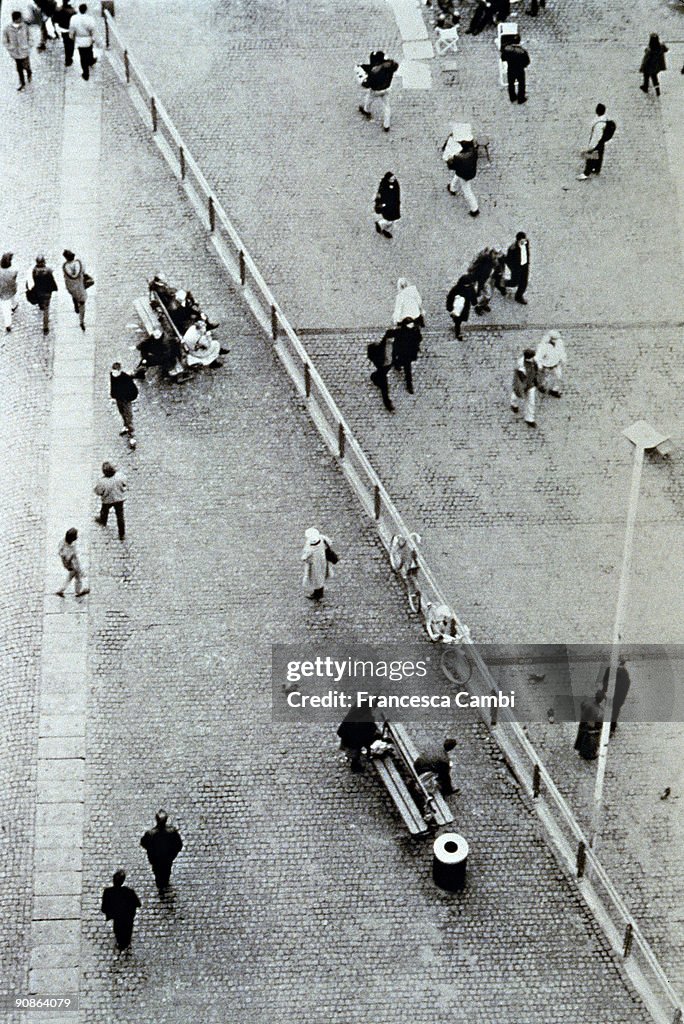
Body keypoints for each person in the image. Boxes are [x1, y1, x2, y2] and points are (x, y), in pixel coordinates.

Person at [140, 810, 183, 891]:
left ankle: (160, 884)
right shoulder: (172, 832)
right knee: (166, 871)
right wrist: (172, 854)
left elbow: (143, 843)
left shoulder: (150, 834)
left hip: (156, 859)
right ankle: (164, 882)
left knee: (157, 872)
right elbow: (179, 845)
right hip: (167, 858)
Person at [358, 50, 399, 132]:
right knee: (387, 106)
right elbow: (395, 64)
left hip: (376, 91)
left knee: (369, 99)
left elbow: (367, 84)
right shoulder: (389, 66)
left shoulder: (374, 72)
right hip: (386, 89)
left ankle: (366, 110)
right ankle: (386, 125)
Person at [100, 870, 141, 950]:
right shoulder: (129, 892)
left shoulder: (108, 892)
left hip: (117, 918)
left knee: (118, 931)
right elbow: (138, 904)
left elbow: (104, 908)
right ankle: (126, 944)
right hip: (128, 918)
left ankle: (120, 943)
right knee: (127, 933)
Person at [337, 706, 381, 773]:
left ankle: (355, 762)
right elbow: (368, 729)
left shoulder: (357, 710)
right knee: (355, 753)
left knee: (355, 751)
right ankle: (355, 766)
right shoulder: (364, 717)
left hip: (350, 736)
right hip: (354, 739)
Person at [446, 131, 480, 217]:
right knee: (457, 176)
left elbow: (452, 167)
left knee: (467, 191)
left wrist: (450, 159)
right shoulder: (474, 151)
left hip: (464, 175)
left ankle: (474, 209)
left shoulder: (459, 157)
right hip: (470, 171)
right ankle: (452, 188)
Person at [577, 104, 615, 180]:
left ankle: (586, 173)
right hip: (601, 142)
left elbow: (596, 137)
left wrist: (590, 148)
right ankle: (596, 169)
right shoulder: (605, 119)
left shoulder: (599, 124)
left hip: (597, 142)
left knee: (591, 158)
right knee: (599, 155)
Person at [94, 462, 127, 541]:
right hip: (119, 499)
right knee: (120, 516)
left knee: (104, 511)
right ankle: (122, 534)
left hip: (107, 500)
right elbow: (125, 484)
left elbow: (98, 492)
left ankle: (103, 521)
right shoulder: (120, 476)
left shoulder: (102, 481)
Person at [599, 656, 631, 734]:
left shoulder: (621, 673)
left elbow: (625, 686)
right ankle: (611, 726)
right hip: (614, 696)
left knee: (612, 710)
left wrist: (604, 691)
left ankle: (611, 726)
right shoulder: (623, 673)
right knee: (613, 710)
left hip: (615, 696)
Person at [110, 362, 138, 449]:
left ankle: (131, 435)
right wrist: (113, 395)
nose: (114, 374)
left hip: (126, 400)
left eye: (116, 372)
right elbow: (113, 385)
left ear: (119, 370)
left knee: (128, 416)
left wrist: (128, 398)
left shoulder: (126, 378)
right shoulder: (112, 375)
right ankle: (126, 426)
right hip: (119, 398)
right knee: (122, 413)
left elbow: (134, 390)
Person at [301, 526, 333, 601]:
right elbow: (330, 543)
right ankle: (319, 591)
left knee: (316, 578)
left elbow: (304, 558)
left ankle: (318, 594)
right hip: (323, 561)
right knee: (321, 575)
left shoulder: (310, 548)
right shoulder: (322, 538)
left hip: (314, 565)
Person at [3, 11, 33, 92]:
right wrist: (10, 48)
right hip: (15, 53)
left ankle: (29, 72)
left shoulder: (25, 27)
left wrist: (29, 45)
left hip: (24, 51)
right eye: (20, 18)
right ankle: (22, 83)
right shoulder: (7, 29)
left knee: (26, 65)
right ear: (17, 19)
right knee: (19, 68)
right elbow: (5, 40)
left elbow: (30, 36)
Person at [56, 527, 89, 597]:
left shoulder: (62, 542)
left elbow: (60, 553)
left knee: (71, 577)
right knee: (77, 577)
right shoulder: (71, 549)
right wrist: (80, 571)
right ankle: (78, 591)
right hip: (72, 566)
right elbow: (74, 561)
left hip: (67, 565)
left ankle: (61, 590)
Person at [510, 348, 539, 427]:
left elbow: (536, 370)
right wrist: (523, 387)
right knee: (516, 394)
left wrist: (536, 381)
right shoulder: (521, 365)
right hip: (523, 385)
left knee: (531, 402)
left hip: (531, 385)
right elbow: (521, 379)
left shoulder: (533, 361)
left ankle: (529, 419)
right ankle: (513, 403)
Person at [391, 318, 421, 395]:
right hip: (403, 353)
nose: (412, 325)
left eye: (412, 324)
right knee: (407, 369)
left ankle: (409, 384)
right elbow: (396, 343)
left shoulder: (415, 330)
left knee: (407, 368)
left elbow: (419, 338)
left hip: (410, 353)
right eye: (409, 324)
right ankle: (409, 385)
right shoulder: (400, 332)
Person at [30, 255, 58, 335]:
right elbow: (52, 280)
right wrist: (54, 288)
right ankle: (45, 327)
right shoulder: (48, 271)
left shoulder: (34, 271)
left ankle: (40, 305)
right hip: (47, 292)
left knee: (42, 303)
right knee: (46, 310)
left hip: (39, 292)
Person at [467, 248, 501, 314]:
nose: (496, 256)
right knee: (479, 293)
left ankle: (482, 305)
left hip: (486, 278)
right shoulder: (483, 256)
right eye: (495, 253)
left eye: (498, 254)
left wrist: (498, 273)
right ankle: (478, 307)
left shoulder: (494, 259)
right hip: (479, 278)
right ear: (492, 252)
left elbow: (497, 266)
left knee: (489, 294)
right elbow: (473, 265)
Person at [367, 330, 394, 411]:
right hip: (382, 366)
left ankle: (374, 377)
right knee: (384, 387)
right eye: (390, 339)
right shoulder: (381, 347)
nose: (392, 340)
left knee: (380, 374)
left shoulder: (394, 344)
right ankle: (387, 404)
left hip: (388, 365)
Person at [70, 3, 97, 80]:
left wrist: (72, 37)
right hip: (88, 39)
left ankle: (85, 72)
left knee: (82, 57)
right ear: (86, 10)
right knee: (89, 52)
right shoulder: (90, 19)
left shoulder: (74, 18)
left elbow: (72, 29)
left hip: (79, 40)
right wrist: (93, 38)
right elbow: (93, 30)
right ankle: (90, 61)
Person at [574, 690, 605, 761]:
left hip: (583, 722)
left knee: (581, 737)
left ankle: (580, 749)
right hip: (589, 728)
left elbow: (582, 706)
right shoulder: (596, 710)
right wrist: (595, 730)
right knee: (588, 742)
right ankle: (587, 754)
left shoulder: (587, 701)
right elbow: (591, 724)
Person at [535, 330, 566, 397]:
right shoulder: (543, 346)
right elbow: (538, 357)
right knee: (546, 378)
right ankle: (541, 386)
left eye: (556, 339)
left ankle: (554, 390)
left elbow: (562, 351)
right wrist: (540, 366)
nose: (555, 341)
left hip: (556, 364)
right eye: (554, 339)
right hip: (546, 366)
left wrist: (563, 359)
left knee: (558, 377)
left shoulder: (559, 342)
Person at [62, 249, 88, 330]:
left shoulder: (65, 266)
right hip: (80, 286)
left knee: (75, 296)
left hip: (71, 287)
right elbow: (83, 271)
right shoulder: (79, 263)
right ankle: (82, 321)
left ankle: (75, 302)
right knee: (82, 303)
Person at [446, 274, 477, 340]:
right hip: (457, 308)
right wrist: (450, 308)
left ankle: (458, 328)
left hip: (465, 307)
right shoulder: (456, 289)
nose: (467, 286)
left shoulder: (470, 287)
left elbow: (473, 295)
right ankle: (458, 332)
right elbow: (450, 298)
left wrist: (474, 302)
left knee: (461, 318)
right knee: (457, 321)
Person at [501, 35, 530, 104]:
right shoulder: (522, 51)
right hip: (520, 69)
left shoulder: (507, 49)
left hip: (511, 69)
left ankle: (512, 97)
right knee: (521, 84)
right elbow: (527, 61)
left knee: (511, 84)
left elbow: (503, 58)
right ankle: (521, 98)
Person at [504, 232, 530, 304]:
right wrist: (514, 269)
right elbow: (508, 261)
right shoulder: (512, 249)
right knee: (514, 282)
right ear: (518, 240)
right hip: (516, 268)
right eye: (521, 241)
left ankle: (518, 296)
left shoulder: (526, 242)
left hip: (524, 266)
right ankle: (501, 283)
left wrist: (527, 263)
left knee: (524, 283)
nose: (523, 242)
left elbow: (527, 253)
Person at [374, 172, 400, 239]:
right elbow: (382, 195)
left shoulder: (394, 183)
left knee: (392, 218)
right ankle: (381, 225)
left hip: (393, 205)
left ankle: (383, 227)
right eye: (392, 178)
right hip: (388, 205)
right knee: (390, 218)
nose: (393, 178)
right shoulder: (385, 186)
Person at [0, 253, 18, 334]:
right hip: (12, 289)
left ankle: (8, 324)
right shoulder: (13, 271)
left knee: (5, 309)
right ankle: (14, 306)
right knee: (13, 297)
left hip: (3, 292)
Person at [53, 1, 76, 66]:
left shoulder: (59, 10)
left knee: (66, 44)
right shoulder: (72, 11)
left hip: (63, 30)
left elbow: (55, 20)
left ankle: (67, 59)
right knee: (71, 44)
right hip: (71, 30)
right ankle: (70, 57)